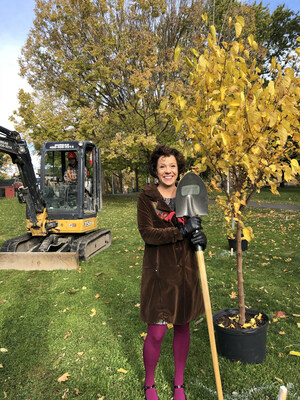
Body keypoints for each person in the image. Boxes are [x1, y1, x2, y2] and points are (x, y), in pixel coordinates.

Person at [137, 144, 207, 400]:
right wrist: (181, 231)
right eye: (162, 166)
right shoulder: (147, 197)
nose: (168, 171)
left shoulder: (187, 194)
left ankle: (179, 384)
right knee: (156, 331)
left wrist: (199, 237)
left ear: (179, 169)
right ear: (155, 170)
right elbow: (147, 234)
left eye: (172, 166)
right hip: (157, 272)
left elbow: (195, 227)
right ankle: (149, 382)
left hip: (185, 270)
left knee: (182, 326)